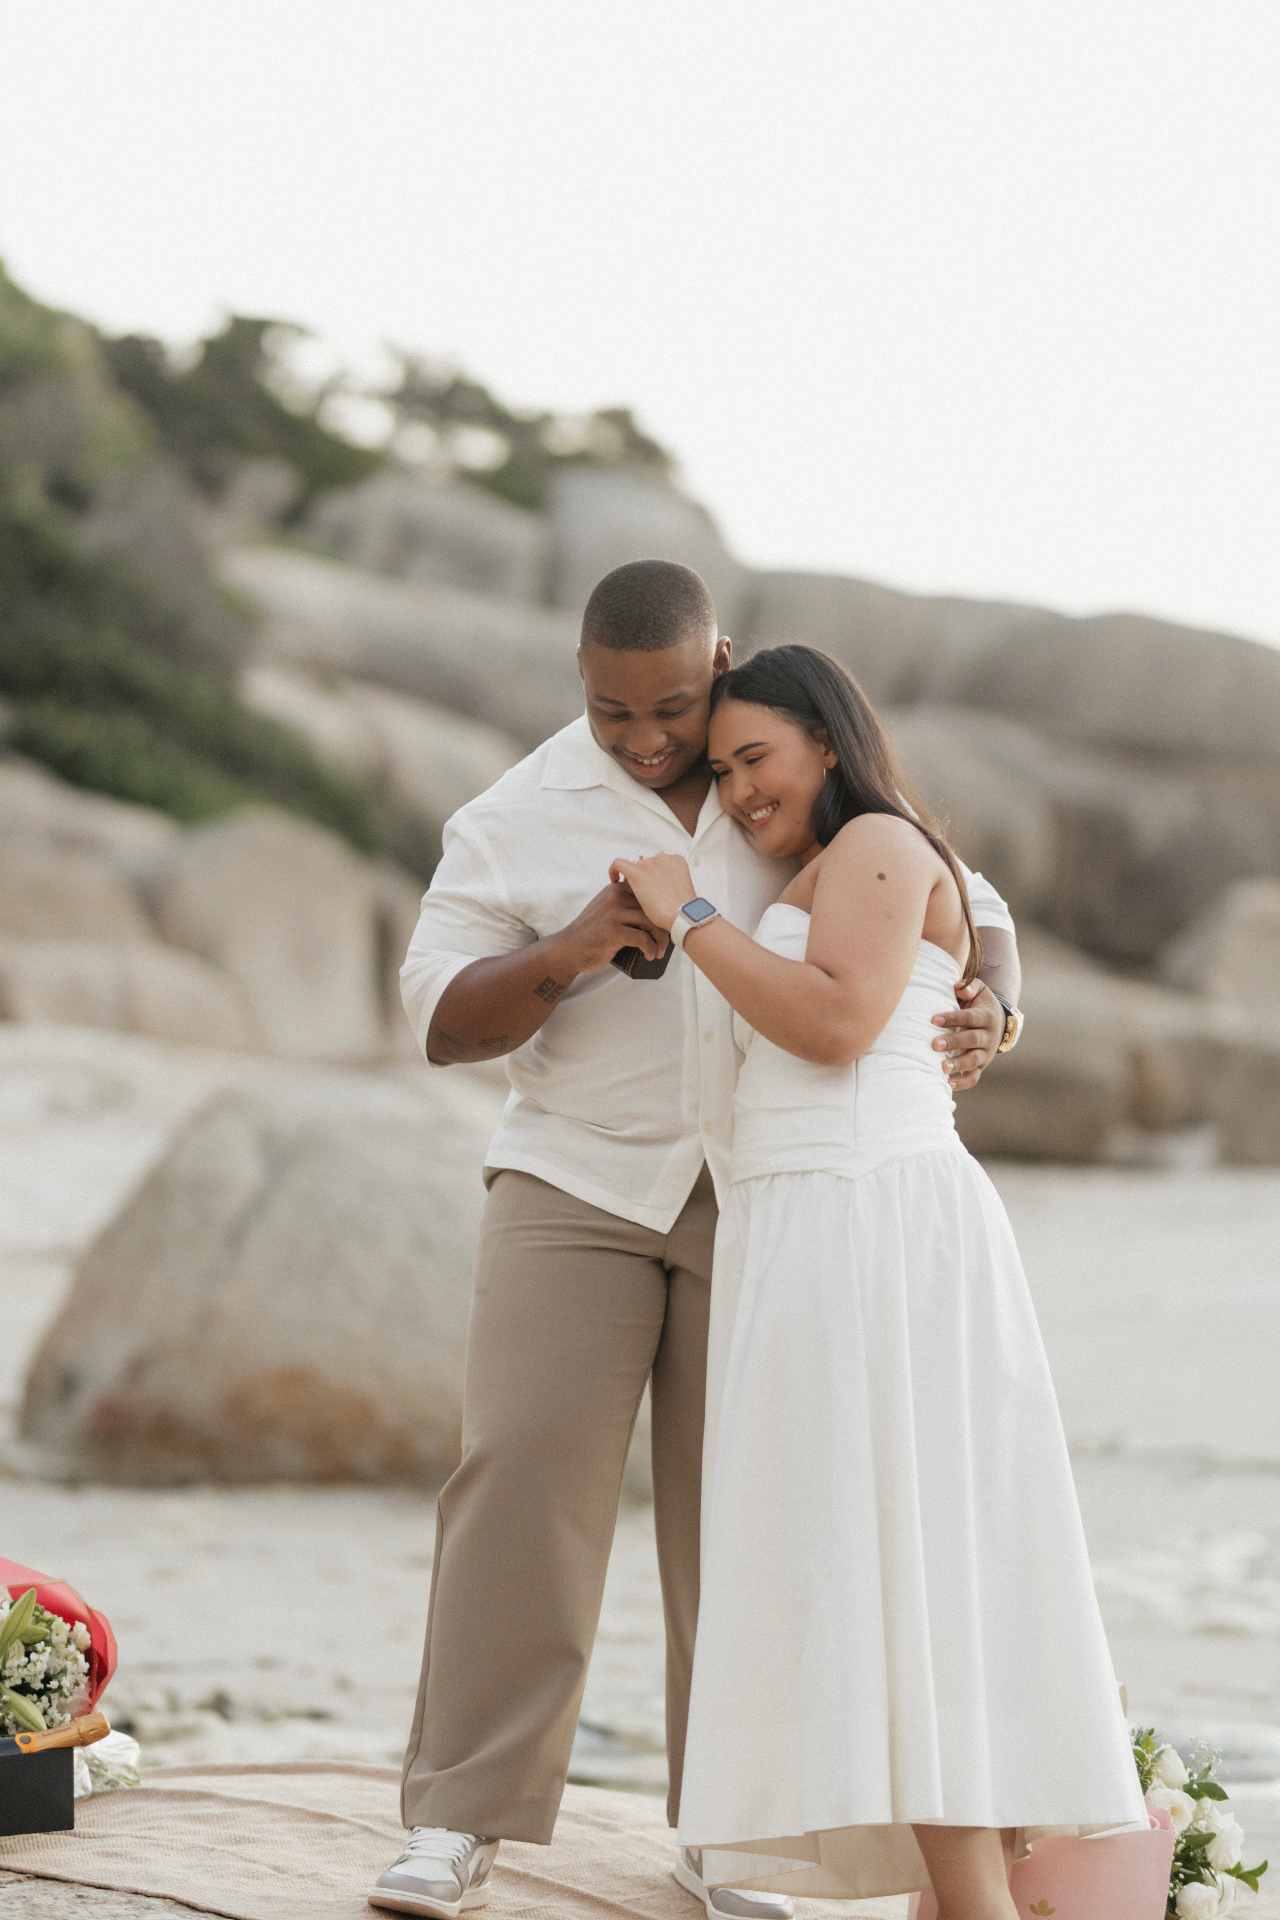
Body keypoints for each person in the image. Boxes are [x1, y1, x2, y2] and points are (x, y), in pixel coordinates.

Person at [369, 566, 1024, 1919]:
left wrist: (995, 1007)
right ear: (578, 679)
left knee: (757, 1512)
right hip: (578, 1179)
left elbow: (969, 905)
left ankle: (731, 1836)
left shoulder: (769, 759)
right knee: (522, 1476)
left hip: (768, 1193)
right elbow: (436, 1014)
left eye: (675, 705)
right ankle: (457, 1821)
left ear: (719, 662)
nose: (651, 738)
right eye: (615, 712)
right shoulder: (517, 813)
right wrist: (575, 948)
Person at [610, 644, 1145, 1920]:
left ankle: (972, 1904)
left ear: (829, 745)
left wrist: (686, 914)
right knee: (864, 1570)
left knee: (906, 1563)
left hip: (873, 1224)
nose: (737, 790)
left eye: (756, 759)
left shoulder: (876, 848)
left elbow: (837, 1025)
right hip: (808, 1228)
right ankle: (953, 1897)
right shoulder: (824, 865)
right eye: (721, 767)